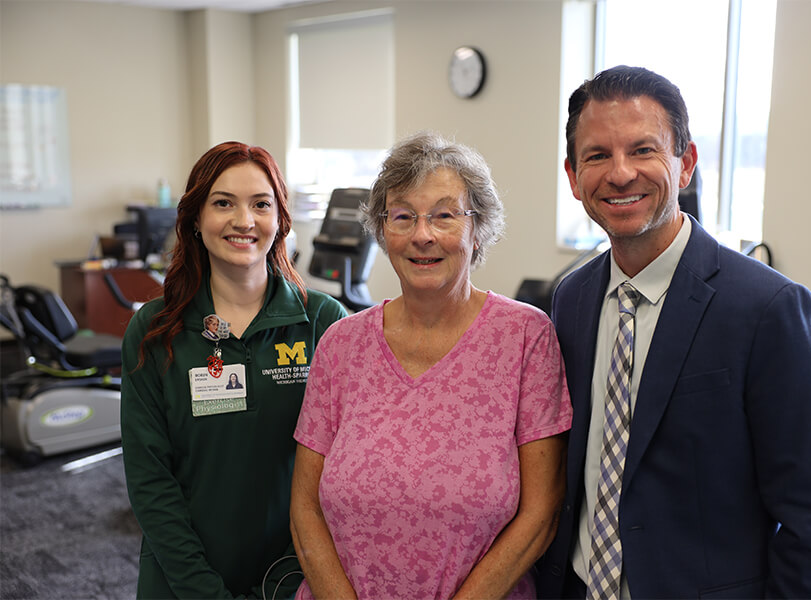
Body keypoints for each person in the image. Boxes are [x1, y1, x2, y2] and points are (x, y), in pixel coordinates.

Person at [535, 66, 811, 599]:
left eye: (643, 150)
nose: (620, 174)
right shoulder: (570, 298)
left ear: (684, 164)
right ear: (573, 176)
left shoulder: (771, 309)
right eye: (597, 155)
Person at [289, 131, 573, 599]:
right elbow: (305, 509)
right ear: (383, 232)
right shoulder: (341, 345)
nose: (423, 234)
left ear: (477, 229)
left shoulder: (525, 338)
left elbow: (541, 514)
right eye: (403, 216)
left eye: (444, 215)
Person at [121, 141, 347, 599]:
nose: (244, 221)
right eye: (223, 203)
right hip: (181, 577)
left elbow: (340, 474)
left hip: (298, 575)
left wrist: (287, 579)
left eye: (260, 204)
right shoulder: (154, 328)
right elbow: (149, 479)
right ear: (195, 219)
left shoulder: (324, 323)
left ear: (281, 220)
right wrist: (203, 590)